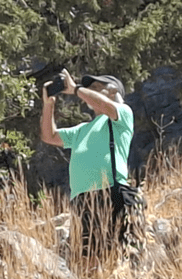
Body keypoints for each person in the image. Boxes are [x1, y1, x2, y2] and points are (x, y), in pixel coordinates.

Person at [40, 69, 134, 259]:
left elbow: (105, 105)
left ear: (114, 91)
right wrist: (48, 104)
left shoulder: (122, 113)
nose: (90, 91)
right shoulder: (81, 129)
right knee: (88, 259)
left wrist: (75, 89)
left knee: (117, 255)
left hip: (111, 192)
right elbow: (49, 136)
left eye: (97, 87)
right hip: (82, 200)